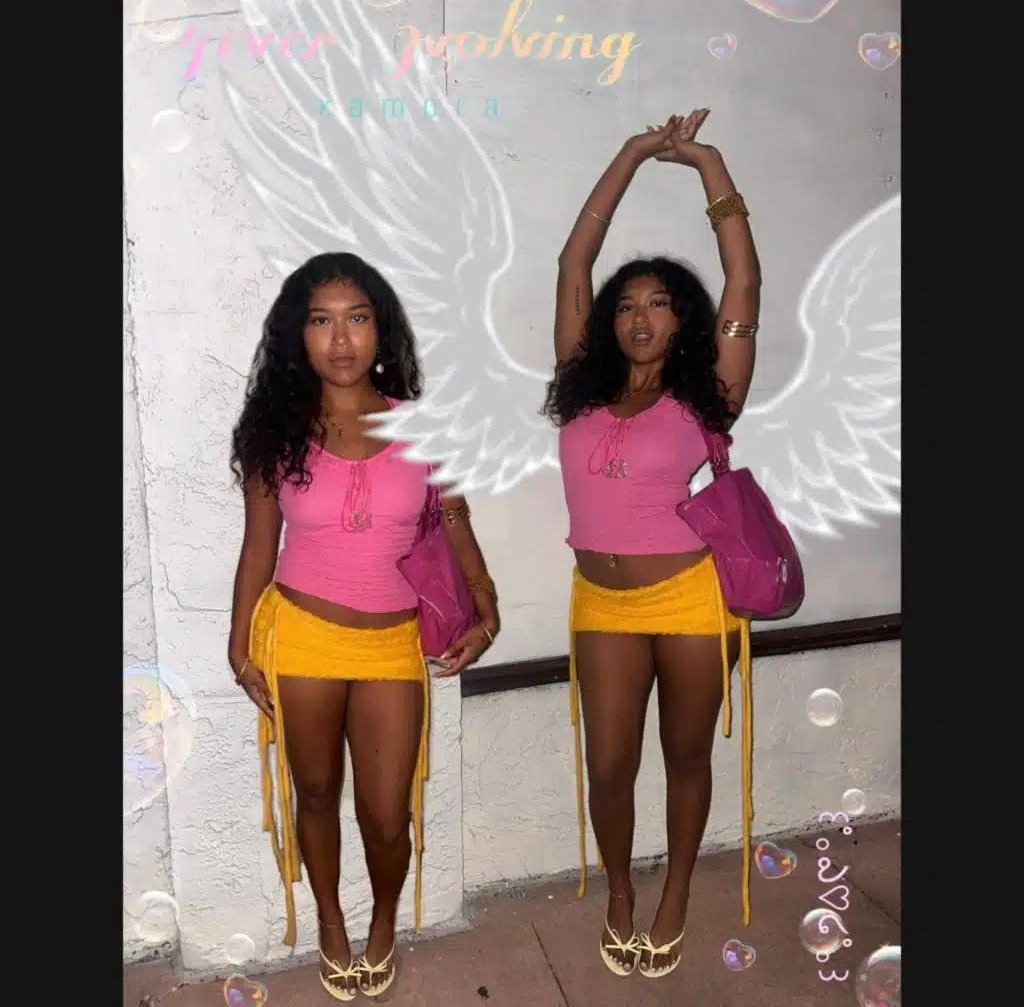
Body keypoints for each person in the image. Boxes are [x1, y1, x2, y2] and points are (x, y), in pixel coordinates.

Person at [227, 252, 500, 1001]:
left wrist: (485, 600)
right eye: (321, 320)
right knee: (315, 795)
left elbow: (454, 519)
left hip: (390, 645)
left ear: (382, 330)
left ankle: (382, 921)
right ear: (299, 333)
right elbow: (259, 546)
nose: (341, 338)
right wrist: (238, 643)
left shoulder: (423, 427)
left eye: (357, 318)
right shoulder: (276, 431)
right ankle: (330, 924)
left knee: (386, 816)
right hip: (302, 636)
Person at [543, 109, 761, 980]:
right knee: (608, 767)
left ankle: (672, 894)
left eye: (658, 304)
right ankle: (621, 894)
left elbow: (744, 277)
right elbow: (574, 262)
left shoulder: (710, 393)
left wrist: (709, 166)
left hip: (689, 597)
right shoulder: (579, 383)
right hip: (601, 601)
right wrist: (632, 152)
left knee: (684, 757)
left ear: (683, 320)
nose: (640, 319)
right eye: (627, 305)